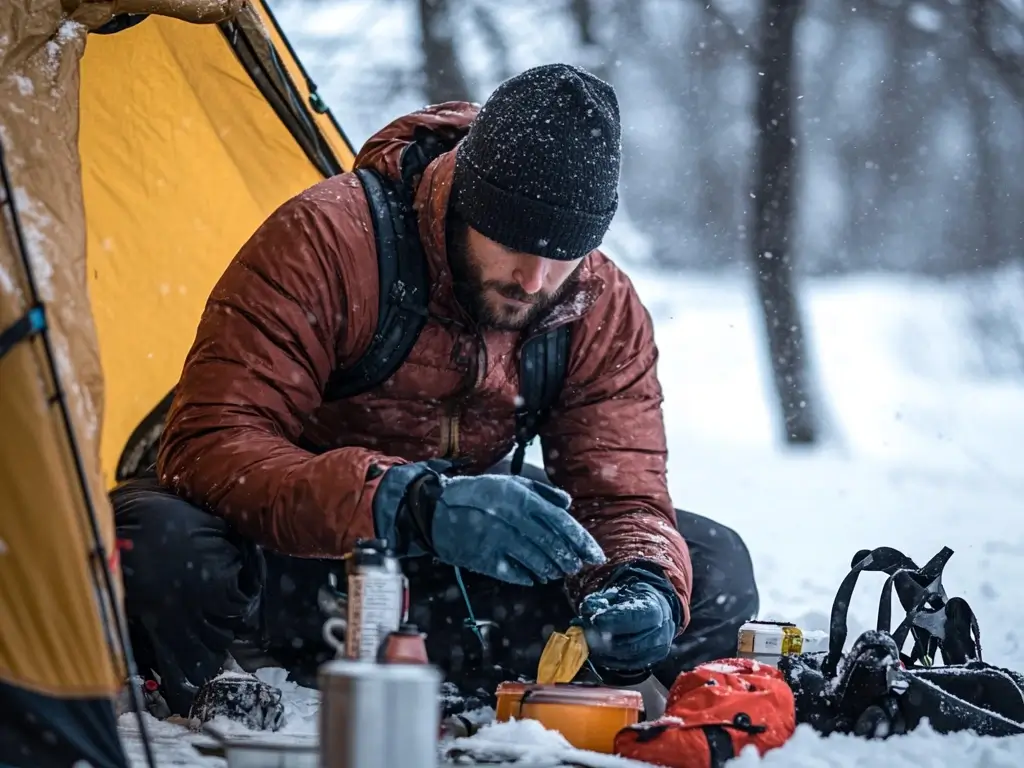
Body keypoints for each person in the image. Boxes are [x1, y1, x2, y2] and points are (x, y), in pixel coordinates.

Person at [112, 63, 759, 721]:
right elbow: (208, 447)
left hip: (460, 582)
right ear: (467, 204)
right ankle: (220, 680)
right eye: (512, 244)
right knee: (160, 542)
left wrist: (641, 585)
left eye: (564, 254)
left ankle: (552, 688)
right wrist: (404, 504)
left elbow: (622, 496)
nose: (535, 281)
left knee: (712, 569)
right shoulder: (330, 241)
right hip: (292, 561)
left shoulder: (599, 306)